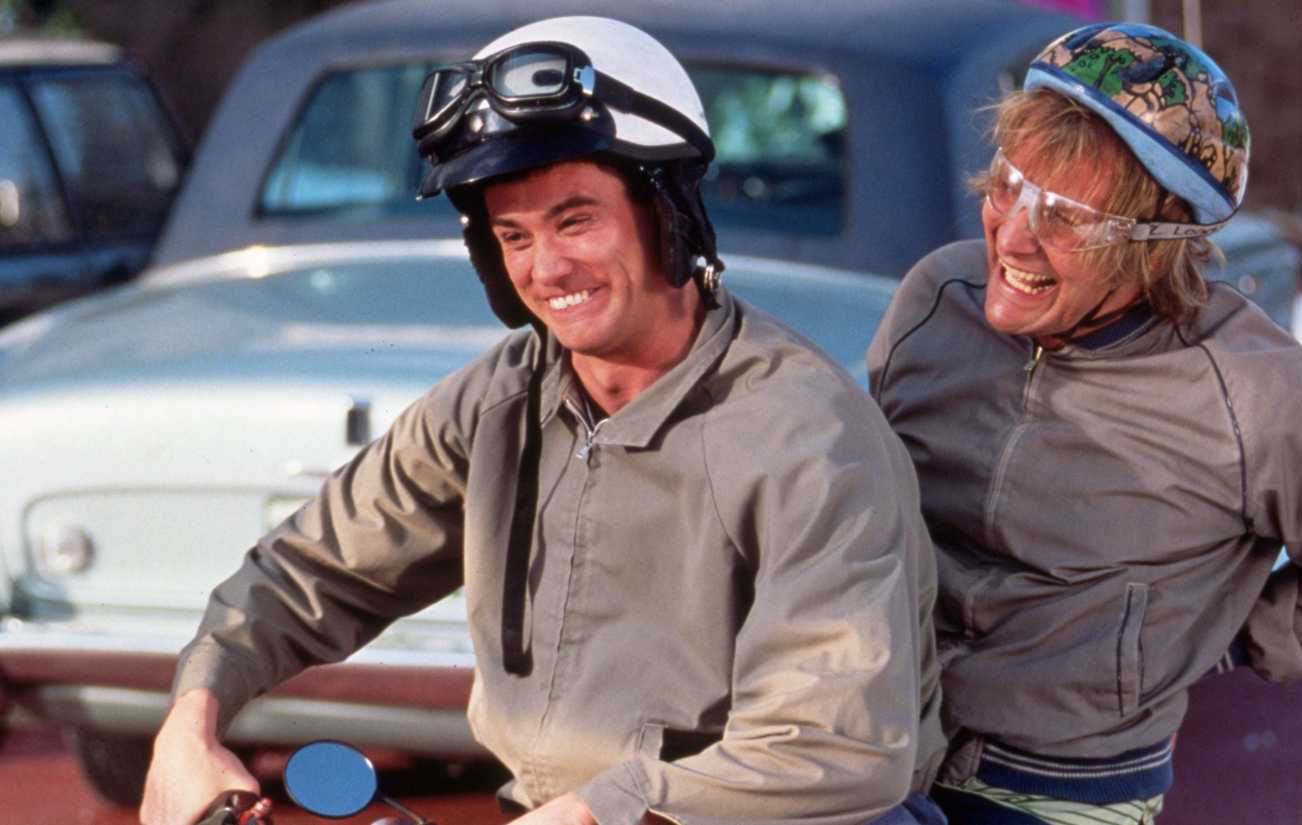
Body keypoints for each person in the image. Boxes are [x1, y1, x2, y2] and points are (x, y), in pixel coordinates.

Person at [140, 16, 946, 825]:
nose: (546, 267)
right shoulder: (495, 404)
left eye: (575, 220)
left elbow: (832, 746)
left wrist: (600, 809)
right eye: (513, 236)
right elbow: (302, 572)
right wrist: (190, 720)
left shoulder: (806, 433)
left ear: (666, 213)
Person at [867, 22, 1302, 824]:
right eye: (1009, 183)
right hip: (885, 737)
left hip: (1055, 786)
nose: (1012, 233)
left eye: (1066, 215)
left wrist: (1207, 643)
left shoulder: (1255, 391)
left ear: (1155, 245)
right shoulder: (936, 298)